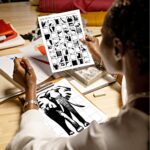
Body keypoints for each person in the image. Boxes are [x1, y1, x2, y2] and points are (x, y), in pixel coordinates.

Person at [6, 0, 149, 149]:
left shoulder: (105, 140)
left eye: (103, 34)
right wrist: (104, 60)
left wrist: (30, 91)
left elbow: (26, 147)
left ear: (118, 49)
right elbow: (137, 87)